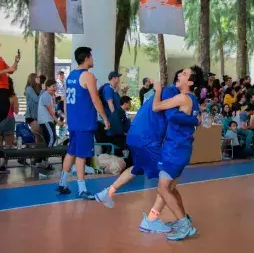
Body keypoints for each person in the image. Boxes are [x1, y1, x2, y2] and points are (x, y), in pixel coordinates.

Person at [94, 69, 200, 233]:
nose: (180, 76)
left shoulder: (170, 92)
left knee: (139, 168)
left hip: (136, 136)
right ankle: (152, 220)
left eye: (184, 74)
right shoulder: (172, 93)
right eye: (181, 74)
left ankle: (108, 192)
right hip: (148, 140)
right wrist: (195, 119)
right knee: (167, 184)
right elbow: (171, 115)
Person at [151, 65, 203, 241]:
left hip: (175, 149)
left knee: (163, 188)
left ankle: (184, 224)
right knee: (171, 188)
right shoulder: (193, 99)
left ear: (190, 82)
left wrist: (158, 90)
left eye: (184, 74)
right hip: (182, 148)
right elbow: (196, 121)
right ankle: (183, 218)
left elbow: (156, 107)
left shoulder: (182, 98)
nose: (179, 74)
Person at [56, 47, 110, 199]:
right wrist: (105, 118)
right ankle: (81, 188)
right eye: (91, 57)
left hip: (74, 122)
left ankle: (62, 183)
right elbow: (95, 99)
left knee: (71, 152)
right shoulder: (88, 76)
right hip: (84, 122)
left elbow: (66, 101)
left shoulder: (71, 76)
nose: (93, 59)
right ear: (86, 58)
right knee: (81, 155)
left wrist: (67, 118)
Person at [0, 35, 19, 141]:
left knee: (3, 111)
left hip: (4, 88)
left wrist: (16, 61)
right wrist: (7, 70)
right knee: (1, 111)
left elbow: (11, 70)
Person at [0, 77, 19, 173]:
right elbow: (16, 111)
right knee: (8, 147)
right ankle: (3, 166)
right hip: (9, 120)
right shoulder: (13, 96)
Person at [24, 73, 42, 143]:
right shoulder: (29, 89)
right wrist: (42, 91)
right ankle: (35, 152)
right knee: (37, 136)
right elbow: (37, 100)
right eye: (36, 77)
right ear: (32, 79)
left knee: (39, 136)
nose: (38, 78)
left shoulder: (36, 88)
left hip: (37, 115)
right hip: (31, 116)